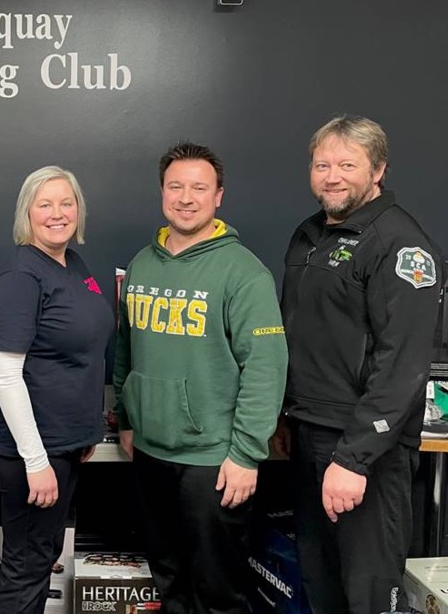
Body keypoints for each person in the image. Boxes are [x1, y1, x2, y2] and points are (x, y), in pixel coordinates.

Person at [273, 115, 445, 614]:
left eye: (347, 164)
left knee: (369, 593)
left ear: (378, 171)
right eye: (322, 164)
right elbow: (303, 334)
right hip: (309, 433)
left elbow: (404, 364)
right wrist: (288, 415)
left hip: (365, 451)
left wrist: (354, 459)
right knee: (320, 581)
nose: (332, 176)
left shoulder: (400, 245)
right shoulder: (308, 235)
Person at [114, 142, 289, 614]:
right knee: (169, 580)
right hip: (150, 452)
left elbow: (266, 368)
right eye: (176, 186)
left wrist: (246, 454)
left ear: (219, 197)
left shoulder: (245, 272)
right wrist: (127, 419)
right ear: (162, 194)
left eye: (199, 187)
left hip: (214, 462)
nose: (186, 197)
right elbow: (126, 347)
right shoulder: (141, 264)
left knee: (218, 591)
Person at [0, 166, 114, 614]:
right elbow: (3, 375)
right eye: (45, 204)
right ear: (27, 213)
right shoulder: (20, 276)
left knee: (40, 558)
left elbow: (82, 351)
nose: (58, 214)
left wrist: (84, 432)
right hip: (31, 454)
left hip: (65, 445)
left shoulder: (72, 264)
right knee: (25, 566)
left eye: (67, 203)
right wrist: (36, 460)